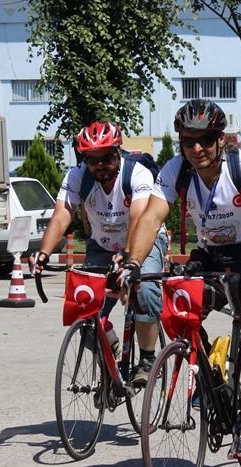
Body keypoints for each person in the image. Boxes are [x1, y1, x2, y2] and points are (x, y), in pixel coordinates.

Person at [122, 99, 241, 460]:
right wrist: (133, 263)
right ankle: (209, 373)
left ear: (221, 139)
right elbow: (153, 217)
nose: (196, 149)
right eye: (188, 142)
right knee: (178, 310)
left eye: (205, 140)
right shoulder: (176, 170)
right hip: (213, 257)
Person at [33, 121, 168, 385]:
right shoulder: (77, 176)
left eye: (107, 157)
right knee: (82, 306)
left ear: (118, 152)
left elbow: (139, 217)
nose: (100, 165)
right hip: (102, 245)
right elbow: (62, 215)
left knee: (145, 288)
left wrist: (129, 257)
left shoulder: (137, 173)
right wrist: (43, 253)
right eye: (93, 160)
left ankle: (148, 358)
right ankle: (110, 348)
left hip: (142, 240)